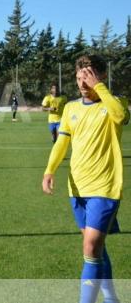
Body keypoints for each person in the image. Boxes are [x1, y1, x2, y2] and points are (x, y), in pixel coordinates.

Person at [42, 54, 129, 303]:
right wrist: (49, 170)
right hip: (77, 187)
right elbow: (62, 142)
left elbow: (121, 116)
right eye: (79, 77)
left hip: (105, 186)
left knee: (90, 248)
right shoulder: (70, 108)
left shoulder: (115, 103)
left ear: (100, 77)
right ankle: (112, 299)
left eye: (88, 77)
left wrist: (100, 87)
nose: (82, 83)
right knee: (95, 249)